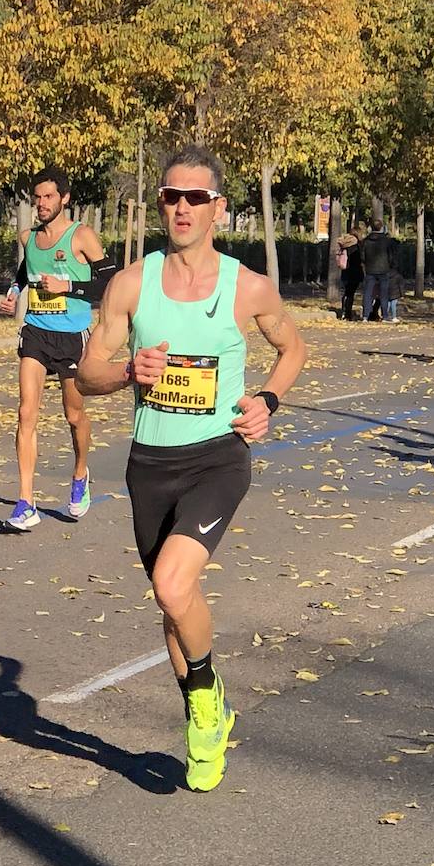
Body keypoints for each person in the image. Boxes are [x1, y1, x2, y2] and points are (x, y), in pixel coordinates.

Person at [76, 144, 307, 792]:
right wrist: (126, 371)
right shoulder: (131, 282)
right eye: (171, 197)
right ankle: (206, 698)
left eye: (195, 198)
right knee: (171, 605)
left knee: (176, 586)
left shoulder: (248, 287)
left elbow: (292, 346)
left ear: (218, 209)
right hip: (150, 463)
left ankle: (205, 704)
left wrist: (267, 397)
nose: (181, 208)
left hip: (217, 458)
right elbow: (88, 372)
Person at [0, 168, 116, 530]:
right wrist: (15, 292)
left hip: (72, 336)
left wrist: (69, 287)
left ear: (64, 198)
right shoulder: (27, 237)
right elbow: (27, 269)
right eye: (38, 197)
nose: (42, 204)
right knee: (25, 412)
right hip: (35, 331)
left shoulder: (81, 236)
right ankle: (26, 502)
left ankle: (80, 475)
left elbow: (110, 282)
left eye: (49, 197)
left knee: (73, 415)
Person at [359, 218, 397, 321]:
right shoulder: (386, 241)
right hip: (384, 270)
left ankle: (365, 316)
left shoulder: (366, 241)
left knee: (368, 293)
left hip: (370, 270)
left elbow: (362, 256)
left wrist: (366, 264)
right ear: (381, 227)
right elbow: (391, 255)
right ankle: (385, 316)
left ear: (371, 227)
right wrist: (391, 265)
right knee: (384, 293)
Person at [336, 231, 362, 320]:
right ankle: (347, 313)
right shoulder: (356, 247)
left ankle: (343, 311)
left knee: (346, 292)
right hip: (354, 272)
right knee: (351, 293)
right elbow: (358, 260)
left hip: (345, 271)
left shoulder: (344, 246)